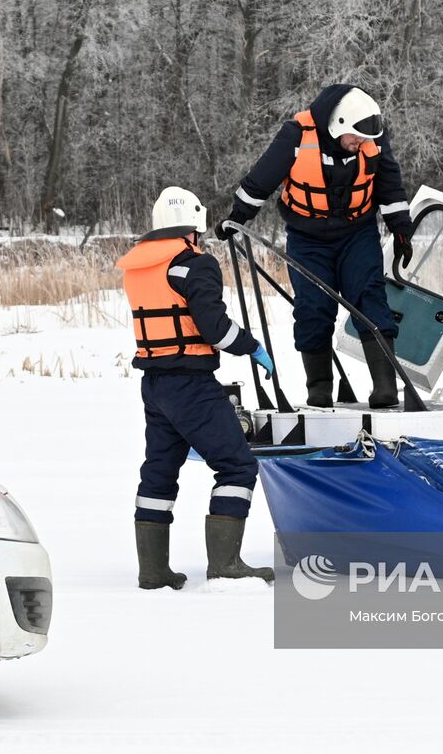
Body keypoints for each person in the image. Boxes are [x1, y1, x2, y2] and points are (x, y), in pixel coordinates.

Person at [116, 186, 276, 590]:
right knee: (237, 466)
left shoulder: (139, 268)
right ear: (193, 228)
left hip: (155, 386)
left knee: (158, 473)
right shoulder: (195, 264)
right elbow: (215, 329)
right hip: (191, 385)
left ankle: (153, 571)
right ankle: (226, 564)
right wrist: (251, 346)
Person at [218, 85, 412, 408]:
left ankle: (385, 386)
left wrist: (402, 230)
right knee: (313, 308)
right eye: (355, 137)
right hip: (307, 239)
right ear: (337, 124)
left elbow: (390, 187)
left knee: (370, 297)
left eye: (364, 138)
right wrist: (236, 217)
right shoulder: (296, 135)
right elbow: (261, 180)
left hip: (357, 233)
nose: (360, 143)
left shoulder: (372, 136)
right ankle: (319, 389)